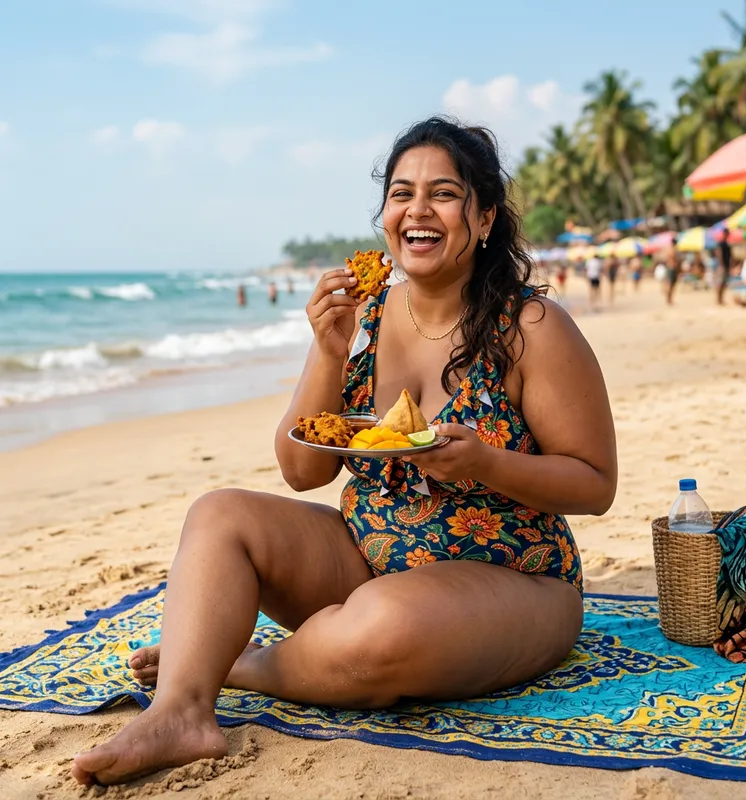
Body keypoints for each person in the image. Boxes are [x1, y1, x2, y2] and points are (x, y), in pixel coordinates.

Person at [71, 117, 617, 786]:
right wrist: (328, 351)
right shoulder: (366, 315)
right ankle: (181, 711)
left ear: (483, 218)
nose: (417, 209)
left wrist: (486, 462)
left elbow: (596, 484)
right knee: (219, 514)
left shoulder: (531, 326)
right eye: (401, 193)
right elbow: (302, 471)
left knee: (381, 630)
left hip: (514, 578)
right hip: (368, 556)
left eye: (444, 194)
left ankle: (245, 664)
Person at [716, 228, 732, 305]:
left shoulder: (727, 244)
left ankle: (721, 299)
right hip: (723, 266)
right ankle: (719, 299)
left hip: (726, 265)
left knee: (724, 283)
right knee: (721, 283)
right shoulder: (721, 244)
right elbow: (719, 253)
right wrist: (721, 264)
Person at [665, 237, 681, 305]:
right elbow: (675, 261)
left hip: (669, 268)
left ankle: (669, 299)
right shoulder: (674, 250)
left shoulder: (668, 250)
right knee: (671, 285)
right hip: (672, 269)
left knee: (670, 285)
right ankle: (669, 299)